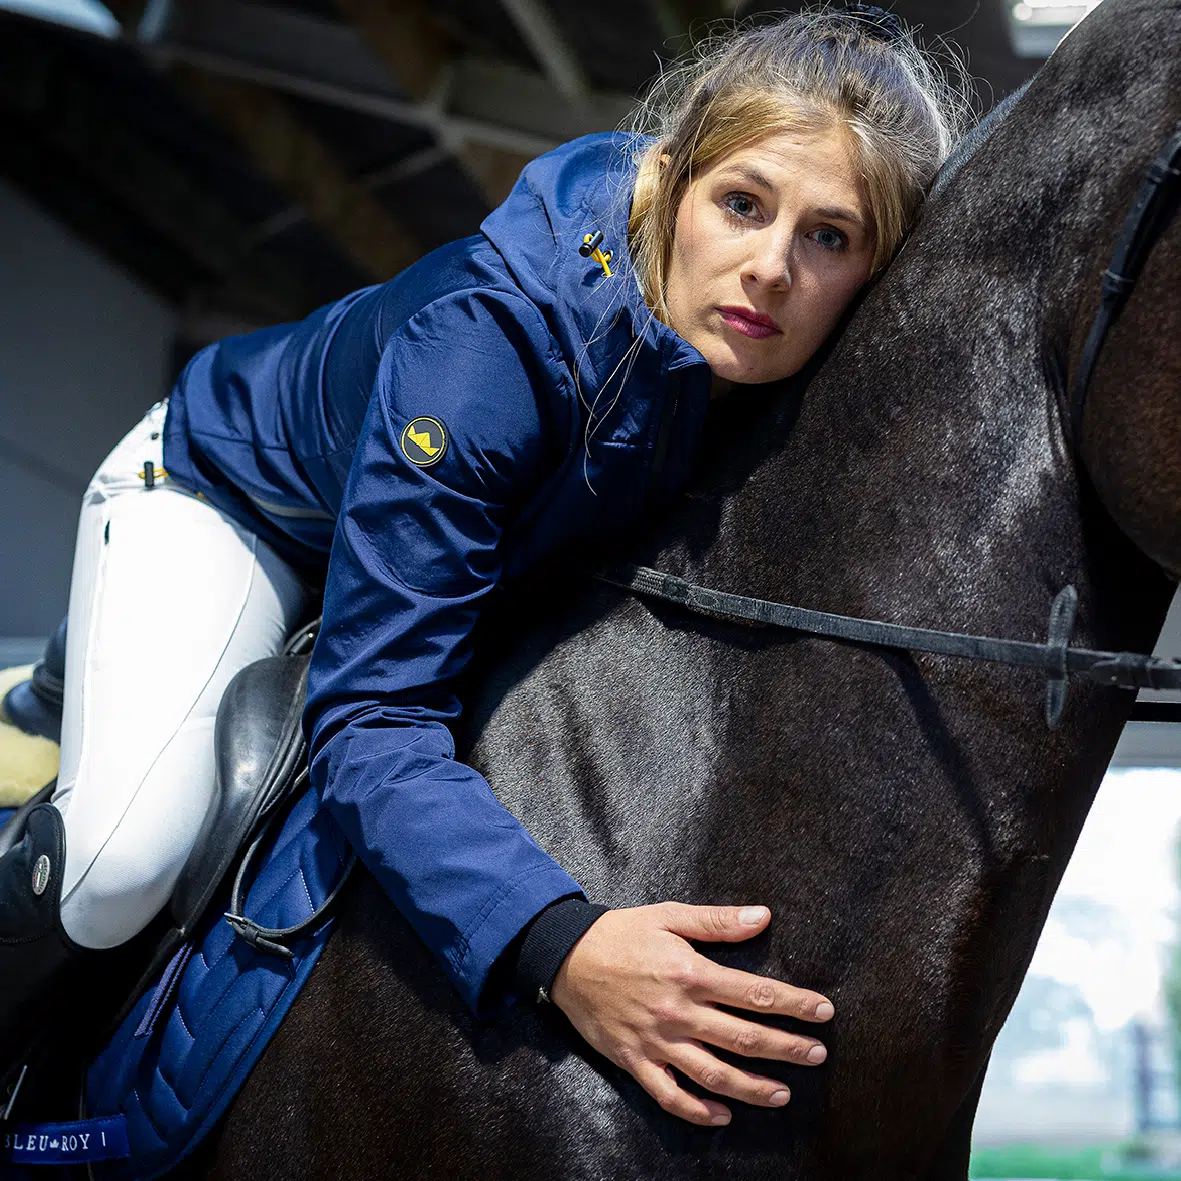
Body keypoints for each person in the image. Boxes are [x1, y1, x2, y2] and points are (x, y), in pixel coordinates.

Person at [0, 5, 971, 1128]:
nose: (769, 268)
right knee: (121, 865)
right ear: (670, 178)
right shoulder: (487, 348)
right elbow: (371, 712)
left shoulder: (757, 359)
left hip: (452, 550)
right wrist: (558, 947)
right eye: (742, 203)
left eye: (829, 236)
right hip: (228, 502)